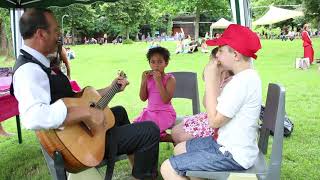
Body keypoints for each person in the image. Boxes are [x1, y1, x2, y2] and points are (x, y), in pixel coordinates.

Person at [11, 8, 160, 180]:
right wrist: (88, 113)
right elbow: (34, 117)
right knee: (150, 130)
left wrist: (111, 88)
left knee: (118, 112)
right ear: (41, 34)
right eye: (56, 31)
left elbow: (77, 100)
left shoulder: (41, 65)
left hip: (81, 129)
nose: (59, 36)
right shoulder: (29, 70)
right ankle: (143, 175)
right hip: (79, 144)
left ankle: (137, 170)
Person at [160, 24, 262, 179]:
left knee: (168, 168)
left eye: (220, 50)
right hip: (226, 143)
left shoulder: (241, 83)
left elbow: (214, 121)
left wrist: (210, 79)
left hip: (233, 154)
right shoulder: (246, 77)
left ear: (235, 55)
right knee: (179, 149)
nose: (217, 56)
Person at [171, 47, 234, 144]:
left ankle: (188, 153)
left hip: (219, 124)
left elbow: (217, 114)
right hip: (208, 118)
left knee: (179, 135)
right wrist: (213, 81)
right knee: (176, 131)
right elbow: (205, 103)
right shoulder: (216, 79)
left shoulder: (232, 82)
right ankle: (183, 153)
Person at [134, 47, 176, 138]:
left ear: (166, 63)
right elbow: (143, 98)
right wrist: (143, 81)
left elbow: (165, 100)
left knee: (148, 132)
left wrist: (158, 81)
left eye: (160, 62)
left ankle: (168, 138)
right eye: (153, 62)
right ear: (149, 63)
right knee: (139, 132)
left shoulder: (170, 79)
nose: (156, 65)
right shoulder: (148, 78)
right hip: (150, 112)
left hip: (164, 113)